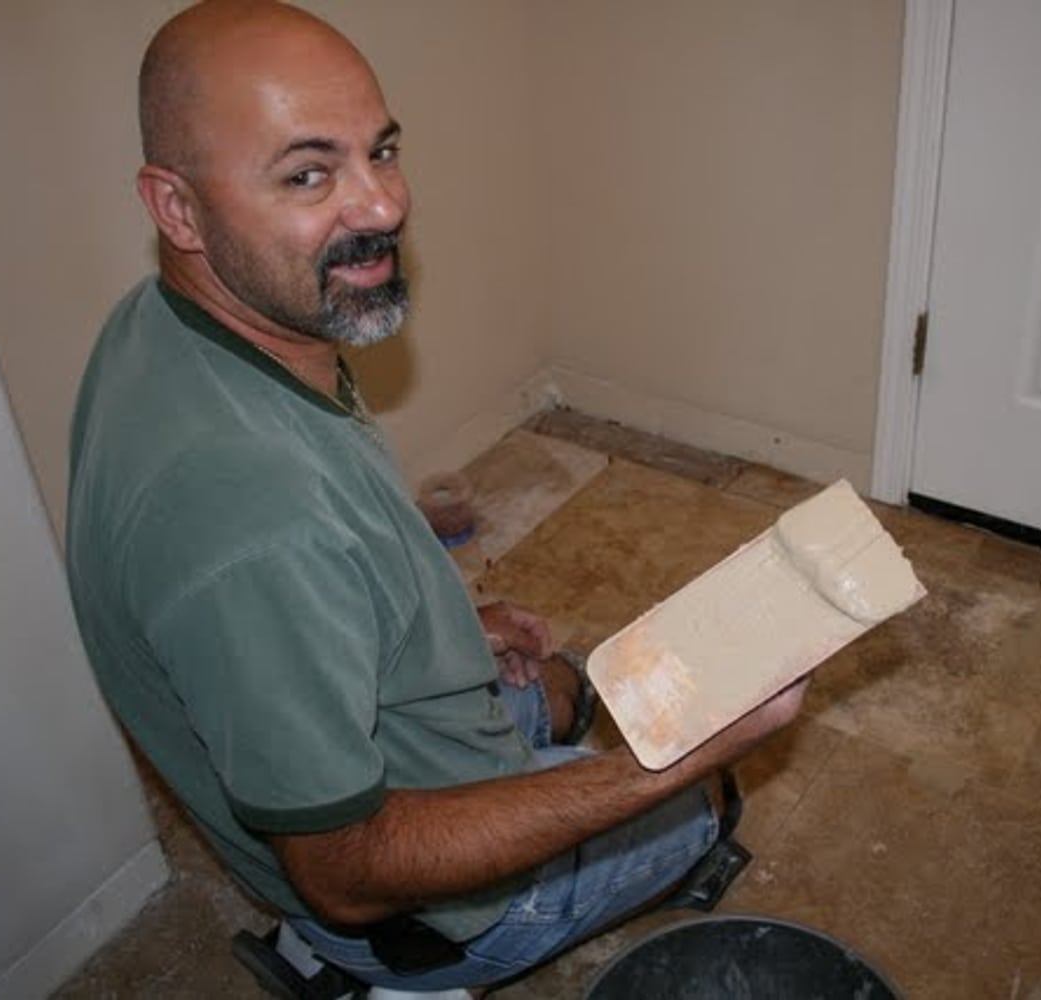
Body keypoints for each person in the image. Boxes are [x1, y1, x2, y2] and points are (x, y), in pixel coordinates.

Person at [65, 1, 806, 996]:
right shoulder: (245, 517)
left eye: (381, 151)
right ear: (178, 209)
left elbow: (322, 556)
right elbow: (348, 874)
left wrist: (445, 624)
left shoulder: (173, 327)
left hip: (383, 738)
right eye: (308, 173)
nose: (378, 207)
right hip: (410, 912)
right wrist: (660, 774)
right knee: (703, 792)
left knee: (581, 680)